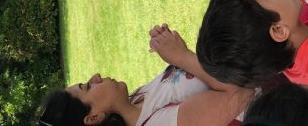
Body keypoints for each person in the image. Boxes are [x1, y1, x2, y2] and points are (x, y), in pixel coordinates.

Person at [37, 24, 254, 126]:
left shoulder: (134, 100)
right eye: (88, 86)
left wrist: (170, 48)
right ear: (93, 117)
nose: (95, 76)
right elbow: (243, 95)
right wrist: (181, 56)